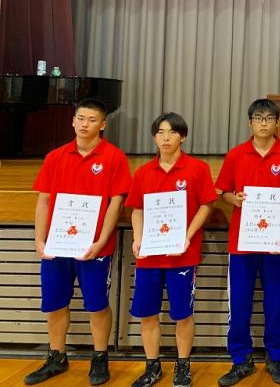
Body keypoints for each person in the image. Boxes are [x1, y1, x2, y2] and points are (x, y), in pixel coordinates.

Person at [26, 98, 131, 386]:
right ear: (73, 121)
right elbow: (44, 200)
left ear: (103, 124)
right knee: (54, 303)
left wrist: (101, 241)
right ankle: (56, 357)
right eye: (80, 118)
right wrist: (39, 240)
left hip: (94, 249)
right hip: (57, 247)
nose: (85, 124)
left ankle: (100, 357)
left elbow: (116, 203)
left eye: (92, 120)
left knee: (97, 304)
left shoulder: (114, 158)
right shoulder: (55, 157)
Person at [126, 112, 217, 387]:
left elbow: (207, 205)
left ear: (183, 137)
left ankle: (182, 366)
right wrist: (138, 238)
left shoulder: (197, 169)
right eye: (160, 132)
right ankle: (152, 366)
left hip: (182, 257)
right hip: (149, 257)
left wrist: (186, 237)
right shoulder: (143, 172)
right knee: (147, 313)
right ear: (154, 137)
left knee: (182, 314)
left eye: (172, 132)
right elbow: (137, 210)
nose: (166, 138)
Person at [216, 99, 280, 386]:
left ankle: (276, 357)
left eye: (269, 118)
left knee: (275, 304)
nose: (264, 123)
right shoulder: (236, 154)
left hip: (275, 244)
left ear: (277, 122)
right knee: (239, 304)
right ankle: (241, 360)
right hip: (242, 244)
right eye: (258, 118)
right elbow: (223, 192)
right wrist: (234, 199)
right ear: (250, 122)